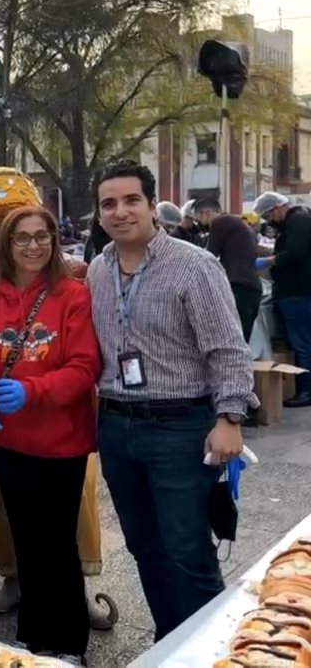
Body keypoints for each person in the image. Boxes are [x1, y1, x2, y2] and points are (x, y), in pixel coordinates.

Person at [88, 160, 254, 642]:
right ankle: (171, 640)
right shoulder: (98, 270)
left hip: (178, 428)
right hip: (116, 426)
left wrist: (230, 417)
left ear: (151, 205)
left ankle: (210, 648)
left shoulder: (194, 265)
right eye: (108, 204)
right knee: (144, 546)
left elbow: (228, 348)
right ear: (99, 213)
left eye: (131, 200)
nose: (120, 212)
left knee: (187, 550)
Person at [0, 168, 114, 630]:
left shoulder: (74, 293)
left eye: (41, 236)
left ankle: (70, 641)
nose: (32, 246)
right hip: (8, 441)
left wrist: (31, 390)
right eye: (19, 237)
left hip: (62, 440)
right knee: (26, 538)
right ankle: (34, 638)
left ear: (54, 240)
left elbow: (84, 367)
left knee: (59, 542)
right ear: (3, 243)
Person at [254, 191, 311, 407]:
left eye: (268, 216)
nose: (269, 221)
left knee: (302, 343)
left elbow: (296, 252)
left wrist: (270, 260)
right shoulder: (297, 220)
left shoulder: (298, 220)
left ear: (277, 208)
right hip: (296, 291)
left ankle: (307, 390)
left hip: (297, 292)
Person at [192, 197, 261, 343]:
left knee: (233, 341)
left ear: (206, 213)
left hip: (238, 288)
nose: (198, 224)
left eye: (197, 219)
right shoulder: (238, 224)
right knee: (242, 341)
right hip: (252, 288)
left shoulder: (220, 222)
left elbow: (209, 256)